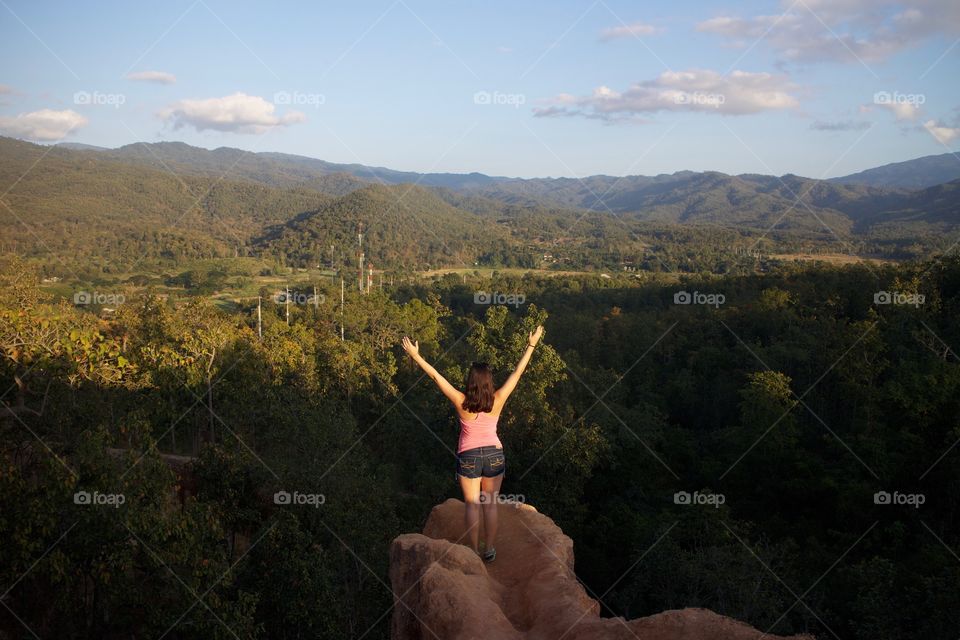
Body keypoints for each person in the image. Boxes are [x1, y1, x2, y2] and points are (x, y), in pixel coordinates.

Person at [401, 324, 544, 562]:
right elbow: (518, 373)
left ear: (471, 381)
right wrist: (531, 344)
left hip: (468, 456)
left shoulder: (461, 401)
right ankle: (489, 550)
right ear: (488, 382)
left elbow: (437, 376)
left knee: (472, 505)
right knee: (490, 505)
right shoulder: (498, 399)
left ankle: (474, 551)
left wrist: (416, 356)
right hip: (494, 455)